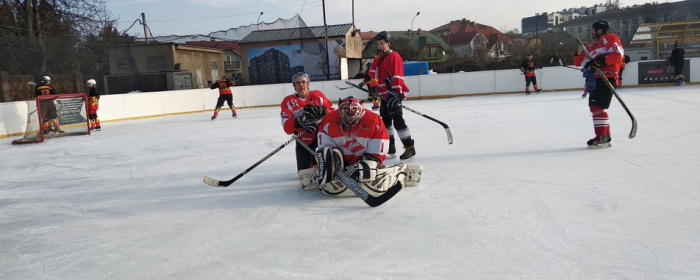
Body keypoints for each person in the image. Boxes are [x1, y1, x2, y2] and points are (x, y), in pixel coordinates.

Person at [297, 96, 422, 196]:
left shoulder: (374, 121)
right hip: (342, 160)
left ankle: (364, 170)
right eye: (346, 121)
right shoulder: (328, 121)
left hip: (363, 159)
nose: (350, 126)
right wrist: (332, 164)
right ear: (339, 114)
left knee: (367, 169)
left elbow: (377, 154)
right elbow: (325, 148)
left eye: (354, 122)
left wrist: (368, 163)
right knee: (327, 156)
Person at [574, 20, 624, 149]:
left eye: (593, 29)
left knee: (597, 107)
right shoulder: (591, 47)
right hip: (594, 80)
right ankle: (604, 135)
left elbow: (618, 55)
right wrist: (580, 51)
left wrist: (601, 61)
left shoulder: (610, 38)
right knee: (595, 108)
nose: (591, 31)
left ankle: (602, 136)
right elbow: (578, 63)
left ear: (600, 30)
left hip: (607, 76)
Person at [367, 31, 416, 161]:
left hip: (392, 95)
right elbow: (372, 74)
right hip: (384, 97)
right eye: (378, 44)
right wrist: (376, 61)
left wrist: (396, 94)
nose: (379, 46)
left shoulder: (394, 56)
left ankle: (409, 147)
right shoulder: (380, 58)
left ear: (388, 43)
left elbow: (397, 76)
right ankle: (391, 148)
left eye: (382, 43)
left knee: (398, 121)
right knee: (386, 123)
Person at [280, 72, 335, 171]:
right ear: (294, 86)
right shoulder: (288, 102)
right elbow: (287, 128)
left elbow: (333, 114)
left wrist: (323, 111)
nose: (301, 85)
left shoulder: (318, 95)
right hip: (304, 138)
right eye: (298, 83)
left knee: (332, 164)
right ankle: (312, 160)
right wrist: (299, 121)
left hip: (323, 134)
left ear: (308, 84)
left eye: (303, 82)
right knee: (304, 173)